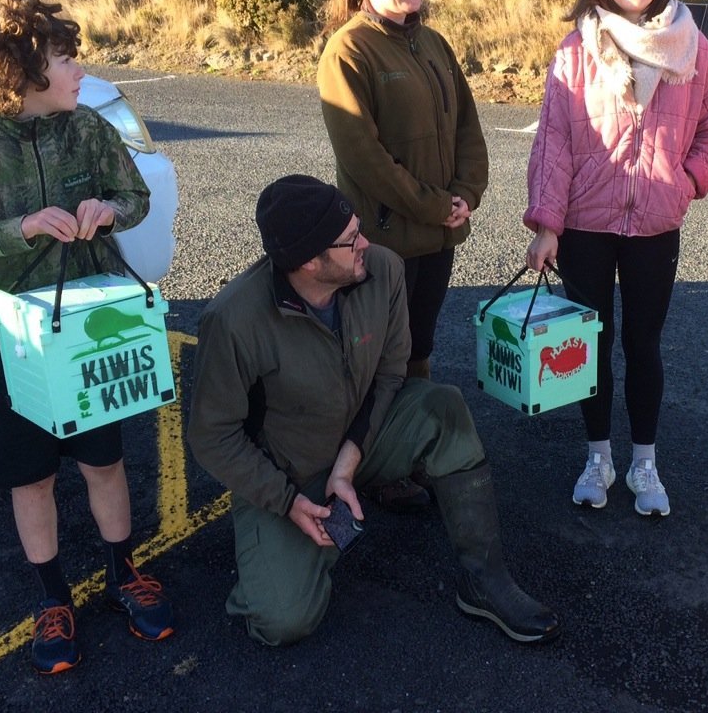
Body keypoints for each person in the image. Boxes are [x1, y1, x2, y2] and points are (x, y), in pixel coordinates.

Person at [186, 175, 560, 647]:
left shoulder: (383, 271)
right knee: (280, 621)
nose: (365, 243)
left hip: (367, 438)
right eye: (349, 241)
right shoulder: (233, 320)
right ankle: (283, 548)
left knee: (442, 407)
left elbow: (390, 376)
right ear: (308, 261)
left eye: (359, 227)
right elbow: (212, 436)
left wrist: (349, 461)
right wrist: (285, 501)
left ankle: (484, 580)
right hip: (291, 470)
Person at [0, 0, 174, 675]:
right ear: (22, 72)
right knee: (29, 479)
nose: (77, 69)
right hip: (5, 342)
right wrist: (20, 229)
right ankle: (52, 599)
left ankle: (125, 573)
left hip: (87, 329)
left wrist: (107, 210)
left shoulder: (87, 127)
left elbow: (137, 197)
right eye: (63, 58)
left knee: (105, 460)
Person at [524, 0, 708, 517]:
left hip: (655, 226)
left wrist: (684, 183)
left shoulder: (693, 45)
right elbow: (554, 141)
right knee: (589, 343)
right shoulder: (576, 48)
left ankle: (643, 462)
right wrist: (547, 223)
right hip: (586, 222)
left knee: (643, 344)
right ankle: (598, 457)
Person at [317, 0, 489, 513]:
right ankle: (368, 465)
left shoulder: (433, 43)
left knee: (419, 345)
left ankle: (414, 451)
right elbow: (366, 161)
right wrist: (438, 205)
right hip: (384, 245)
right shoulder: (348, 51)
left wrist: (469, 191)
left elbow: (467, 125)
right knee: (375, 358)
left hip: (437, 238)